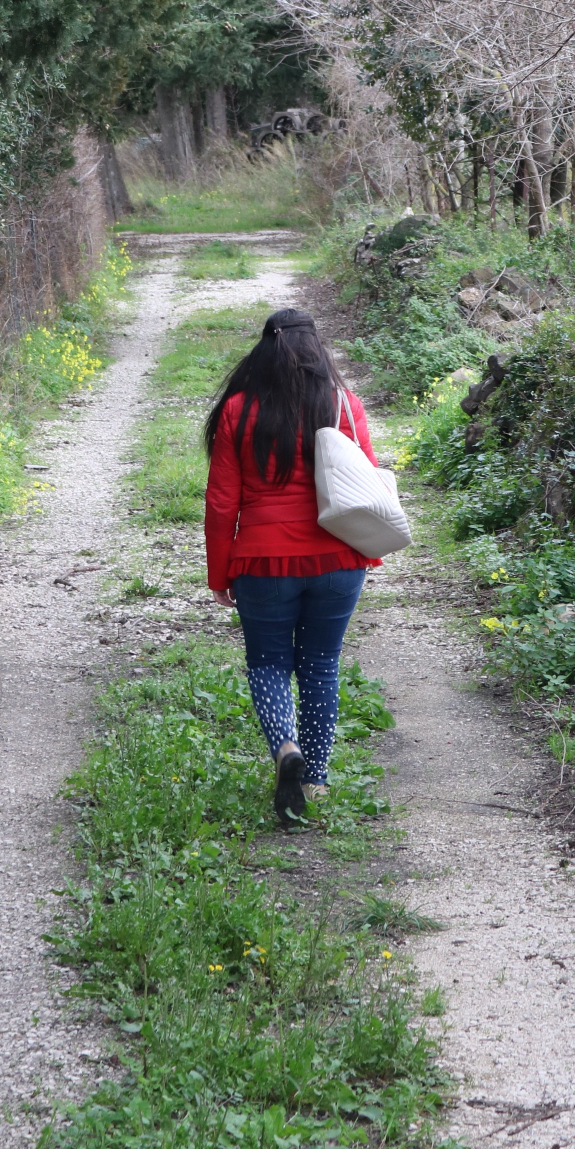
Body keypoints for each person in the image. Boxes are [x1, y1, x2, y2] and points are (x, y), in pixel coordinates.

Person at [203, 307, 382, 825]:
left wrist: (220, 575)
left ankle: (285, 747)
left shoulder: (238, 410)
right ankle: (318, 779)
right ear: (316, 348)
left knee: (269, 664)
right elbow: (365, 487)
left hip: (263, 563)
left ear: (265, 350)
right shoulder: (344, 404)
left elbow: (221, 503)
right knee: (321, 666)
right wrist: (366, 552)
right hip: (338, 560)